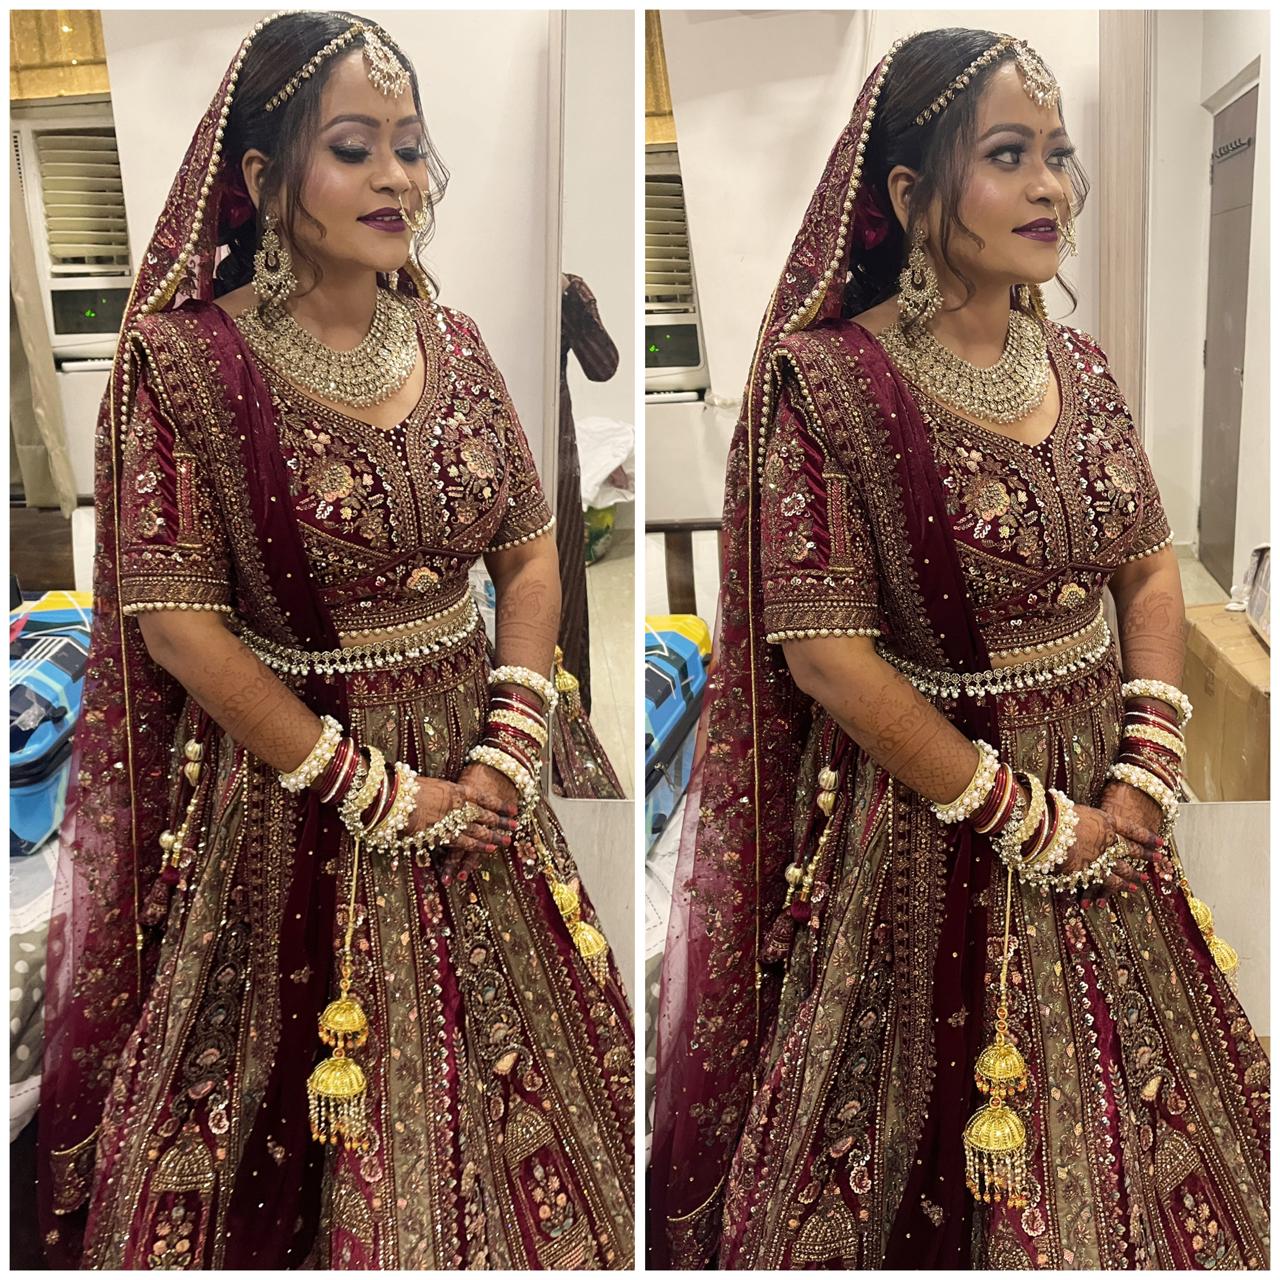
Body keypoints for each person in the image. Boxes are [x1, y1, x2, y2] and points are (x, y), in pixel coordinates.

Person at [649, 28, 1268, 1270]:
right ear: (907, 190)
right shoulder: (826, 382)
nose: (1050, 187)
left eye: (1057, 155)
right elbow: (823, 652)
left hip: (1108, 798)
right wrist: (1019, 816)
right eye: (1007, 156)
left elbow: (1146, 565)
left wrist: (1143, 766)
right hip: (927, 813)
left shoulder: (1078, 365)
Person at [37, 12, 633, 1269]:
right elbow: (178, 626)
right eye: (354, 148)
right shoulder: (182, 365)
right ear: (262, 178)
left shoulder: (454, 343)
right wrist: (373, 790)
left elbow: (529, 550)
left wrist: (506, 743)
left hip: (483, 778)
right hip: (290, 791)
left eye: (410, 147)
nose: (398, 177)